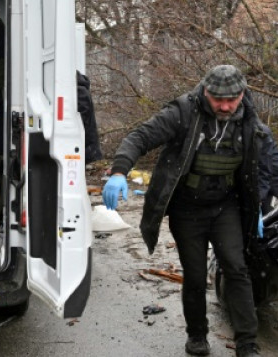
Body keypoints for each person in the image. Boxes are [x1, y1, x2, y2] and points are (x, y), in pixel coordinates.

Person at [104, 65, 267, 357]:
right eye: (218, 100)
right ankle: (197, 335)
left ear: (242, 94)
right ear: (205, 90)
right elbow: (140, 137)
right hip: (187, 207)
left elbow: (266, 161)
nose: (225, 106)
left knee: (236, 268)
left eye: (231, 100)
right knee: (194, 274)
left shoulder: (249, 118)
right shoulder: (183, 111)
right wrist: (119, 171)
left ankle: (247, 343)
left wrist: (264, 204)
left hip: (225, 205)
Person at [257, 120, 278, 215]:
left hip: (273, 181)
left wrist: (260, 198)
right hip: (267, 178)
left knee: (268, 215)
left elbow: (268, 168)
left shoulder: (259, 131)